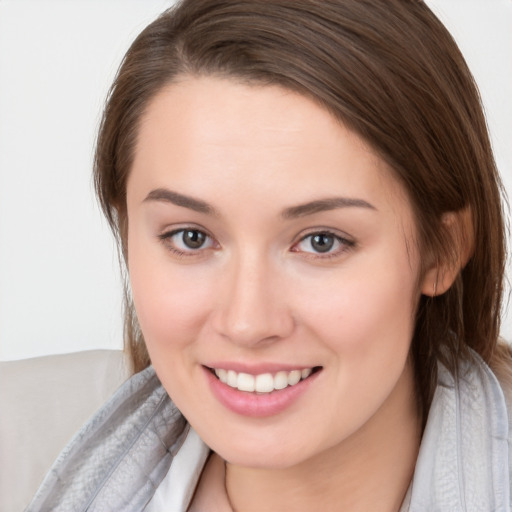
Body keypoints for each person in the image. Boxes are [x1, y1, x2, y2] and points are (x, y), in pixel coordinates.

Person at [27, 0, 512, 510]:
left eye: (321, 241)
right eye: (191, 237)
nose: (247, 322)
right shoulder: (17, 453)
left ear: (442, 250)